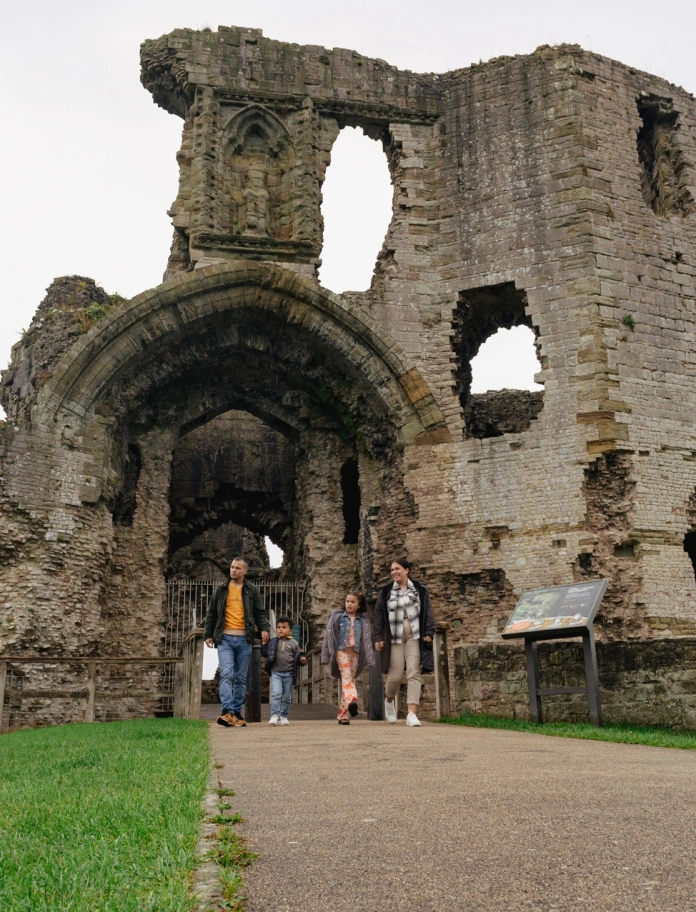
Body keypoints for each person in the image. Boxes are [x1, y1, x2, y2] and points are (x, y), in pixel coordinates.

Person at [204, 557, 270, 727]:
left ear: (245, 571)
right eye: (232, 567)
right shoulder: (221, 589)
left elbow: (259, 613)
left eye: (237, 568)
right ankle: (226, 711)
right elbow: (211, 613)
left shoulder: (252, 590)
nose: (233, 570)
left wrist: (264, 630)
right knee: (226, 673)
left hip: (244, 638)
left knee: (240, 678)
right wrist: (208, 634)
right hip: (224, 637)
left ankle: (235, 712)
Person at [372, 558, 435, 727]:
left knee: (414, 671)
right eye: (392, 569)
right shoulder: (386, 591)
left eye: (397, 569)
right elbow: (378, 615)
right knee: (396, 675)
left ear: (407, 570)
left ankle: (412, 714)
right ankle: (389, 701)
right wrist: (377, 637)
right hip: (394, 635)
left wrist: (429, 631)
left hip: (414, 633)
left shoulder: (420, 590)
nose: (394, 572)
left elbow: (428, 611)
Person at [321, 590, 375, 724]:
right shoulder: (337, 616)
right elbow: (329, 637)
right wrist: (325, 656)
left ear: (359, 604)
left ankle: (343, 716)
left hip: (355, 652)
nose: (349, 604)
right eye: (347, 601)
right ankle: (353, 699)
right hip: (341, 651)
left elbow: (367, 639)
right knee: (346, 679)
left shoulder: (363, 620)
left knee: (349, 680)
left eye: (352, 602)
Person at [262, 615, 307, 726]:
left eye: (284, 627)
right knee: (276, 693)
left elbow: (299, 656)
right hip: (276, 672)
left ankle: (284, 715)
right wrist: (264, 643)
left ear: (290, 630)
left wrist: (302, 659)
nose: (281, 629)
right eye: (278, 627)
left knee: (287, 696)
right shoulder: (273, 642)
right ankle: (274, 715)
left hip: (289, 673)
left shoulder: (294, 643)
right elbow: (266, 653)